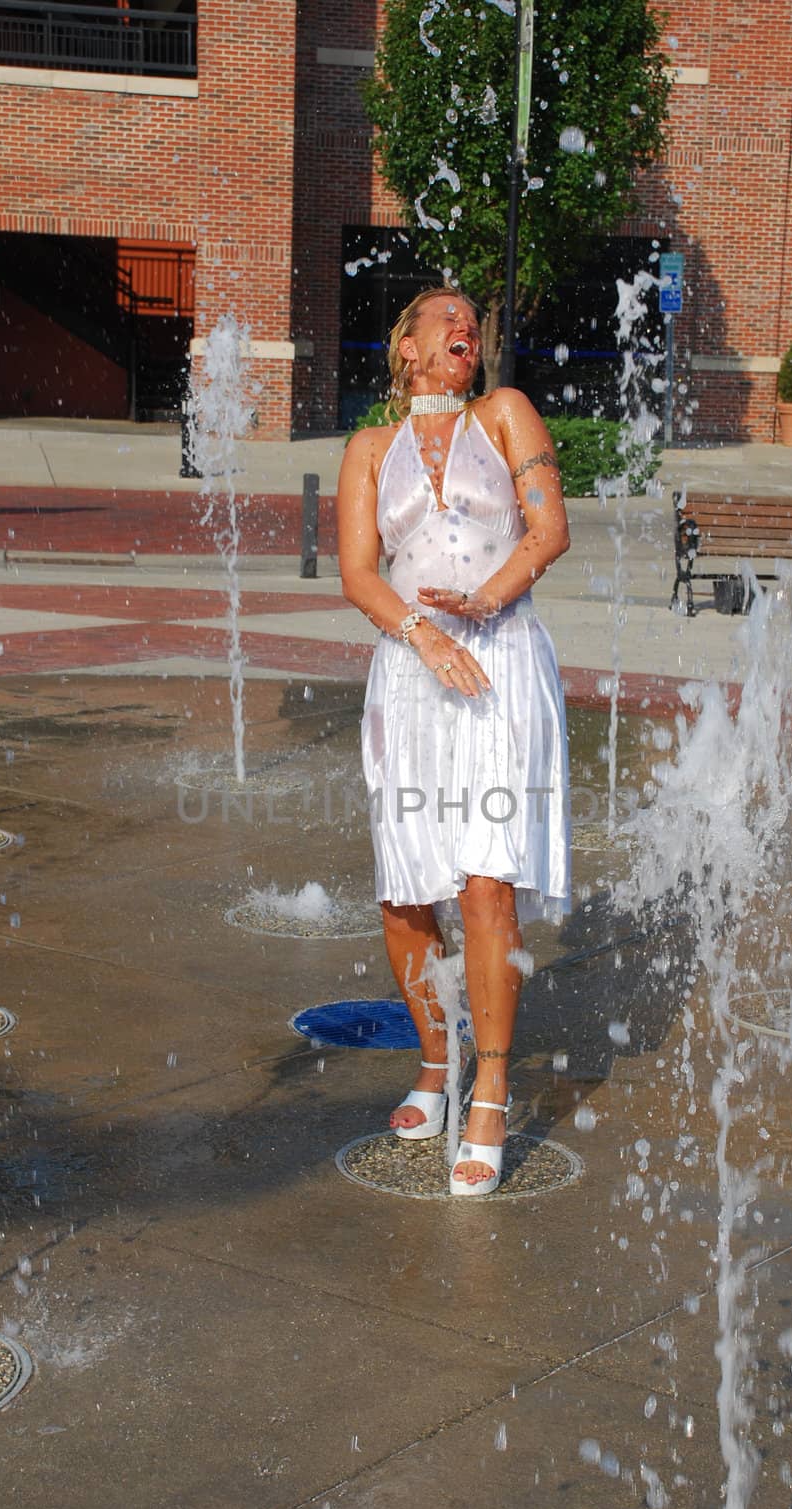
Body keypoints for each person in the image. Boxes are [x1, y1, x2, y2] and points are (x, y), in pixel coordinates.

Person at [338, 287, 571, 1197]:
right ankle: (435, 1064)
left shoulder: (506, 414)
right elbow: (360, 573)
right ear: (406, 346)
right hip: (410, 670)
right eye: (440, 313)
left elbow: (548, 529)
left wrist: (488, 599)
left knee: (485, 880)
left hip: (501, 662)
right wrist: (424, 634)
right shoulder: (366, 450)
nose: (460, 323)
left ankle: (492, 1090)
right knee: (407, 888)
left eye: (470, 315)